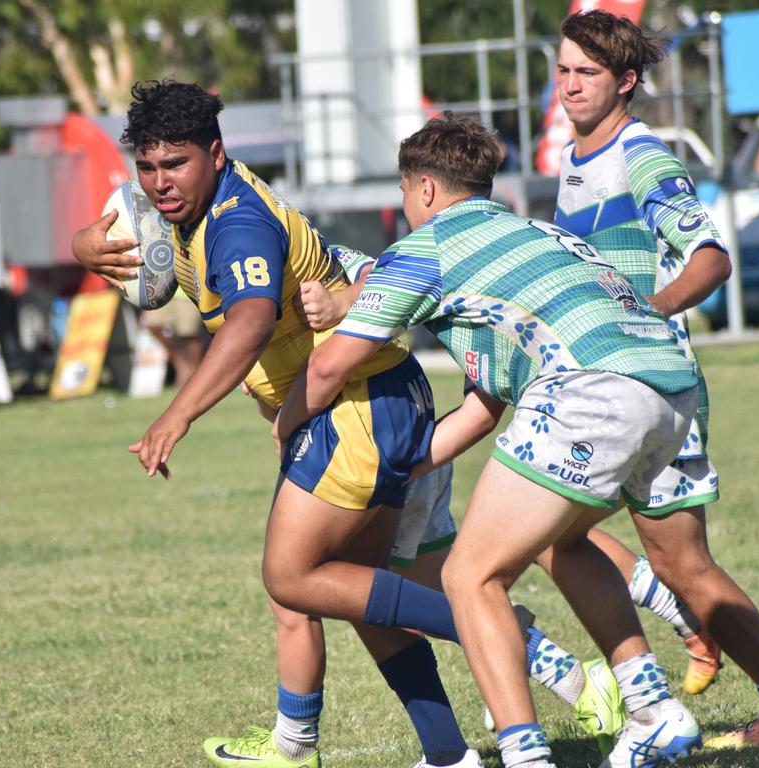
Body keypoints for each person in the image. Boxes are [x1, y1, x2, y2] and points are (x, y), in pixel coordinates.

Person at [71, 80, 610, 768]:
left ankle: (539, 655)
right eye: (146, 169)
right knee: (360, 589)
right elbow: (115, 231)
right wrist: (89, 245)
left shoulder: (238, 223)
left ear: (214, 154)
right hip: (372, 393)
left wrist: (177, 414)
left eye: (174, 165)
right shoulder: (183, 201)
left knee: (291, 577)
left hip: (347, 402)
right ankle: (447, 754)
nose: (159, 184)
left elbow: (250, 322)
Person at [275, 112, 705, 768]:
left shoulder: (427, 248)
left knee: (469, 576)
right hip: (671, 387)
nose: (404, 207)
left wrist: (286, 428)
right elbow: (482, 408)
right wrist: (410, 467)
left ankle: (524, 754)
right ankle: (653, 709)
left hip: (590, 390)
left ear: (422, 189)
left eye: (401, 194)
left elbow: (332, 364)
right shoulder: (529, 232)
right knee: (566, 543)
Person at [547, 9, 759, 749]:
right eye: (563, 70)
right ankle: (691, 675)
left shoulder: (643, 158)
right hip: (606, 383)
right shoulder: (576, 158)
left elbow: (709, 257)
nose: (570, 85)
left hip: (653, 385)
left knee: (656, 558)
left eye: (587, 74)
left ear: (626, 82)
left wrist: (649, 308)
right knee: (575, 541)